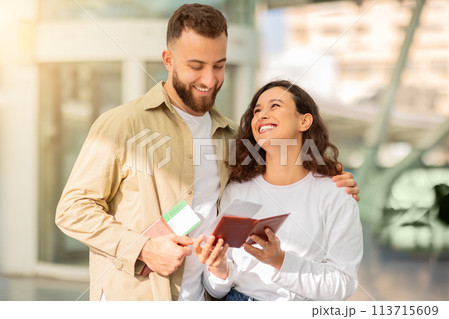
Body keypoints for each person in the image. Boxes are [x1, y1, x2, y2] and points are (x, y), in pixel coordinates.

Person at [55, 4, 359, 301]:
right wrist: (144, 248)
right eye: (196, 66)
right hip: (140, 297)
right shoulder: (122, 124)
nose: (210, 80)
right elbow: (73, 211)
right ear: (168, 60)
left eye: (219, 65)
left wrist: (332, 179)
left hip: (202, 297)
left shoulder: (230, 138)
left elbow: (281, 169)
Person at [194, 80, 363, 301]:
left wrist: (280, 261)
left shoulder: (336, 194)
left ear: (304, 121)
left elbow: (343, 283)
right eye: (257, 110)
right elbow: (217, 290)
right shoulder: (236, 190)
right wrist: (218, 269)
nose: (262, 114)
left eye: (274, 105)